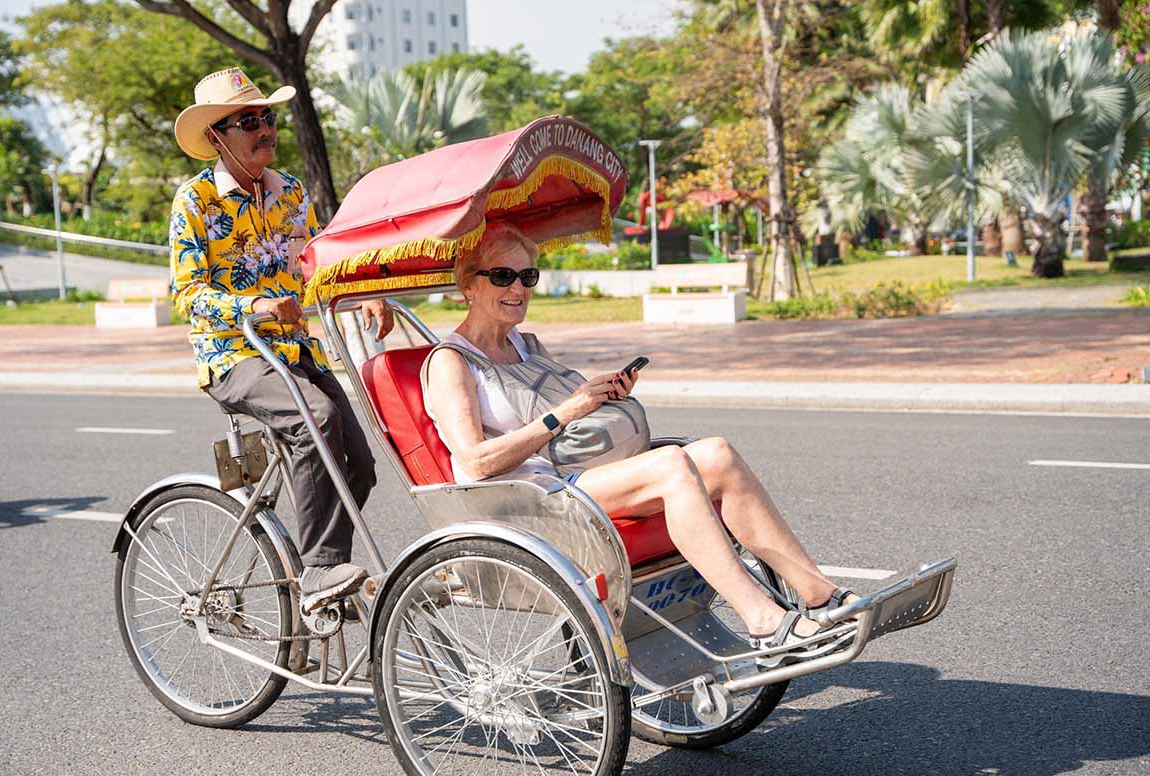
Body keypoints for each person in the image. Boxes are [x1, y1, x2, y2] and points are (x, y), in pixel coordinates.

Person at [423, 222, 859, 654]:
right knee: (672, 464)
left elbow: (561, 411)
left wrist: (599, 397)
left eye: (527, 276)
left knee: (717, 454)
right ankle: (763, 619)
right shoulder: (452, 361)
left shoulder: (524, 344)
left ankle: (823, 594)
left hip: (570, 476)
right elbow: (477, 462)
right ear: (468, 285)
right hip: (527, 500)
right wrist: (567, 411)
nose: (518, 287)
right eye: (502, 276)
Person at [170, 68, 393, 613]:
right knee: (314, 419)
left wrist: (362, 290)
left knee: (362, 464)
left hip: (295, 352)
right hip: (233, 354)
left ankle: (322, 566)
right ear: (217, 137)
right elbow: (187, 294)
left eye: (267, 117)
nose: (264, 128)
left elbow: (315, 264)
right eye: (249, 121)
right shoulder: (195, 201)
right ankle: (319, 572)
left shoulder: (290, 192)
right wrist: (255, 304)